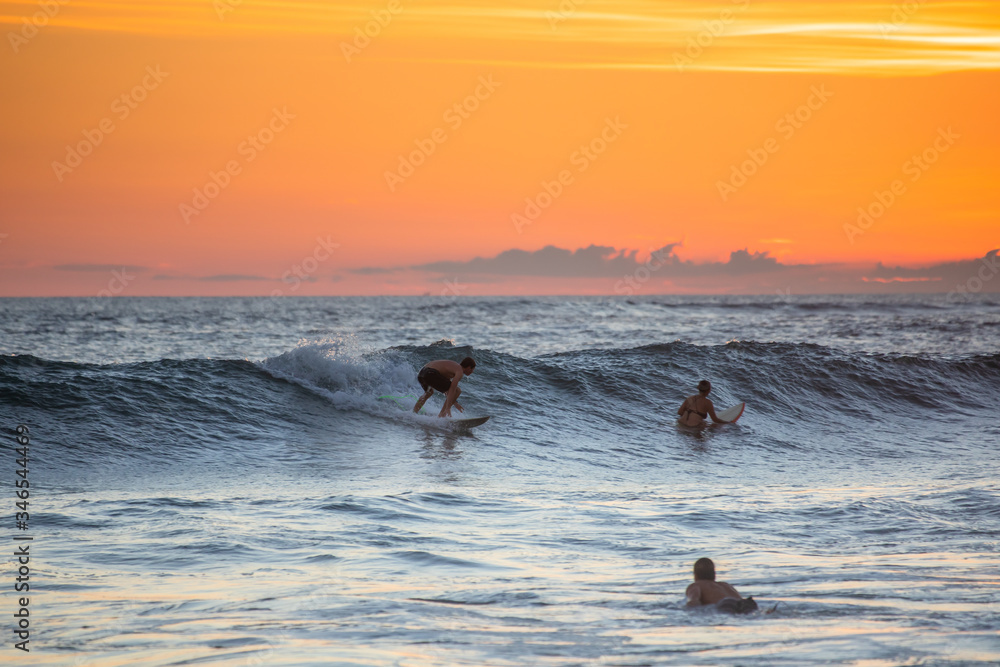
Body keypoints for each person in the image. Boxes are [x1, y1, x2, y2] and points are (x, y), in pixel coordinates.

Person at [685, 557, 758, 614]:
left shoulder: (695, 585)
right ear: (714, 574)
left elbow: (693, 602)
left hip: (726, 604)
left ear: (695, 575)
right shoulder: (726, 585)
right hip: (745, 603)